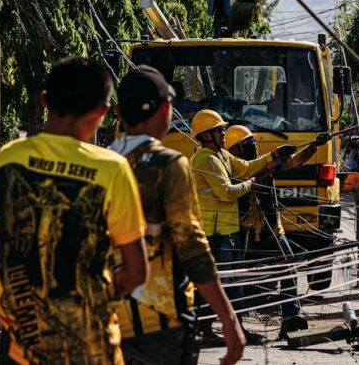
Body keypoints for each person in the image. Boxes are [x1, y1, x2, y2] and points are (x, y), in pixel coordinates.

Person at [0, 57, 148, 364]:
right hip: (90, 348)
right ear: (102, 111)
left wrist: (20, 299)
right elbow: (136, 271)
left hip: (21, 345)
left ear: (45, 100)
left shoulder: (5, 161)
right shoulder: (112, 169)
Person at [109, 66, 244, 365]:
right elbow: (192, 247)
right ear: (167, 110)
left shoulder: (102, 162)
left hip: (110, 321)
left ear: (118, 111)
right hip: (162, 323)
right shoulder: (169, 165)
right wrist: (229, 319)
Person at [189, 109, 296, 343]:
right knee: (219, 282)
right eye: (219, 130)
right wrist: (252, 185)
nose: (224, 134)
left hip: (228, 230)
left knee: (233, 283)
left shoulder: (222, 156)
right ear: (207, 135)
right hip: (214, 232)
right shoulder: (204, 159)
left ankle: (235, 329)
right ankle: (202, 328)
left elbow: (248, 167)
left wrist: (274, 155)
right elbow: (227, 192)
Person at [225, 125, 325, 339]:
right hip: (244, 233)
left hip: (272, 230)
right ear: (236, 150)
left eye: (253, 143)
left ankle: (290, 319)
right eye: (248, 144)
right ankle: (237, 327)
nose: (254, 147)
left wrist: (314, 146)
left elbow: (295, 161)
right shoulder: (231, 170)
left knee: (289, 266)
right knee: (237, 281)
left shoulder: (264, 164)